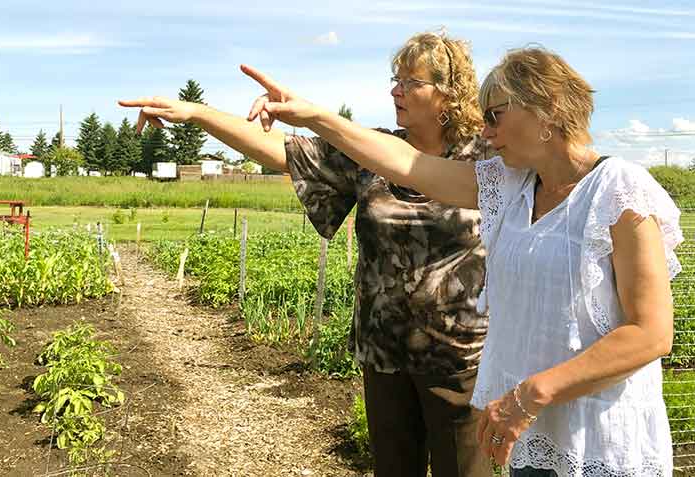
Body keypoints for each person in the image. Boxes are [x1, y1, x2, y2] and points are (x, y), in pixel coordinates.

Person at [242, 46, 683, 476]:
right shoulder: (512, 186)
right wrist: (316, 117)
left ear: (545, 108)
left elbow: (651, 333)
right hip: (534, 438)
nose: (486, 132)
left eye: (495, 115)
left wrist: (533, 393)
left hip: (601, 443)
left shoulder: (619, 190)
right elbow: (406, 163)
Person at [120, 31, 494, 477]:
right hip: (384, 354)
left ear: (449, 92)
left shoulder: (488, 159)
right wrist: (197, 114)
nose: (396, 90)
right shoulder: (366, 152)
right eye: (395, 79)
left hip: (460, 361)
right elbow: (283, 151)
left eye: (412, 82)